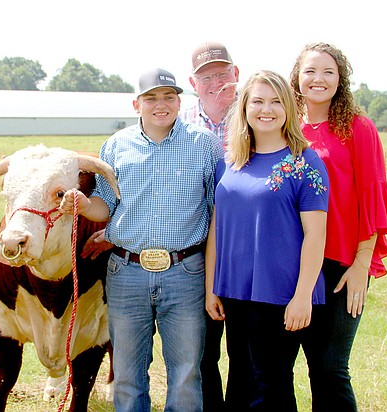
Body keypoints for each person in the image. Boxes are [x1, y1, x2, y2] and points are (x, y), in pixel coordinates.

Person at [59, 68, 223, 411]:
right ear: (137, 103)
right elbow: (106, 206)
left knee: (187, 371)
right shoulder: (116, 145)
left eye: (168, 96)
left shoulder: (204, 144)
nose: (160, 104)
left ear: (180, 101)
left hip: (186, 270)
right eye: (151, 98)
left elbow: (217, 212)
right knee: (128, 374)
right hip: (127, 272)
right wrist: (84, 205)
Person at [206, 70, 329, 411]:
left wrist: (302, 297)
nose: (267, 109)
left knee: (270, 385)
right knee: (240, 381)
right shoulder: (229, 163)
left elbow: (316, 236)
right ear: (244, 108)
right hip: (235, 291)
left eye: (276, 101)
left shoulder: (306, 164)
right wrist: (211, 287)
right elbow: (218, 227)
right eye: (258, 101)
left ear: (288, 108)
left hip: (281, 293)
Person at [290, 42, 387, 411]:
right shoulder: (285, 127)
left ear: (340, 80)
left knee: (330, 369)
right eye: (310, 71)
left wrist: (362, 263)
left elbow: (373, 195)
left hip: (341, 265)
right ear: (297, 78)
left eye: (328, 72)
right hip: (292, 266)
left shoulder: (357, 128)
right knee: (279, 368)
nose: (318, 79)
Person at [179, 41, 243, 412]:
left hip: (246, 246)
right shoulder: (179, 122)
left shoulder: (258, 113)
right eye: (207, 76)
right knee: (201, 350)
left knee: (246, 348)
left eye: (222, 73)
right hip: (196, 247)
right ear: (193, 82)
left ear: (236, 73)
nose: (216, 82)